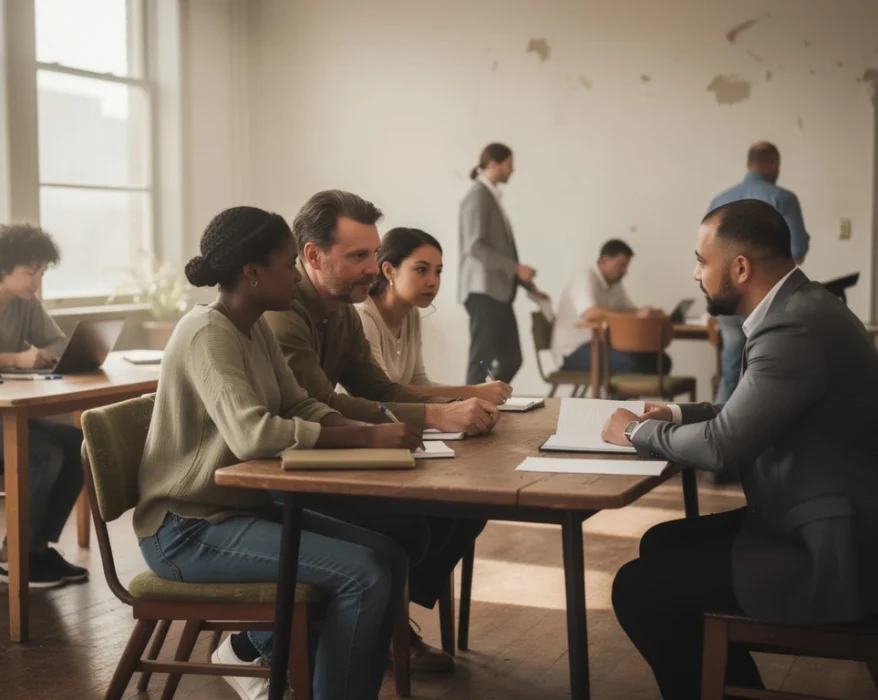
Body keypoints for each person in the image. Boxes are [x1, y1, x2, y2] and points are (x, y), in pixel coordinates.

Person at [135, 206, 422, 700]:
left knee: (390, 556)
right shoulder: (206, 332)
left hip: (238, 511)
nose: (296, 275)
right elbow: (251, 435)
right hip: (186, 529)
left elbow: (299, 404)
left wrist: (368, 428)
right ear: (252, 273)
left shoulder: (255, 327)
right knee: (364, 576)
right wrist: (364, 439)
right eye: (289, 264)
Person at [601, 199, 878, 700]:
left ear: (741, 268)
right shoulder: (805, 307)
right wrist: (673, 414)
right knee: (662, 543)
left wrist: (635, 433)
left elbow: (723, 446)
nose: (695, 274)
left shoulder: (792, 327)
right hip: (825, 516)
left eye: (701, 261)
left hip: (832, 551)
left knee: (637, 588)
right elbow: (747, 411)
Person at [264, 190, 496, 672]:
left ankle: (383, 623)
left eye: (373, 254)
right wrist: (437, 417)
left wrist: (453, 408)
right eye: (359, 256)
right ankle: (268, 641)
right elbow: (320, 405)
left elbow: (379, 388)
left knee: (463, 508)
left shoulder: (343, 310)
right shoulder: (284, 313)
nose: (374, 268)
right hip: (274, 472)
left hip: (316, 454)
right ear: (313, 256)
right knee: (409, 526)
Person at [0, 223, 88, 589]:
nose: (37, 281)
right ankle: (12, 557)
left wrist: (43, 355)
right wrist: (16, 359)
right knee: (42, 454)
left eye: (42, 272)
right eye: (30, 272)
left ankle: (36, 548)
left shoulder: (26, 303)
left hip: (7, 413)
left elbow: (58, 343)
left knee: (78, 443)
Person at [358, 226, 513, 403]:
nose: (433, 282)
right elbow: (384, 393)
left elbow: (419, 382)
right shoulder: (364, 316)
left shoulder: (411, 314)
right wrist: (473, 392)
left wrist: (471, 398)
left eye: (438, 272)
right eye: (421, 270)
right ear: (389, 271)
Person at [709, 142, 810, 405]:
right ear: (774, 164)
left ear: (749, 163)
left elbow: (708, 253)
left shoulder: (720, 200)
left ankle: (720, 421)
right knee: (768, 367)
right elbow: (797, 250)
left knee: (732, 367)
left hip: (726, 293)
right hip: (765, 296)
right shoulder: (783, 199)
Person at [459, 142, 546, 385]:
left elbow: (496, 250)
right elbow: (474, 247)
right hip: (483, 291)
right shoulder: (478, 196)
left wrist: (529, 286)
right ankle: (471, 405)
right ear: (493, 164)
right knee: (481, 362)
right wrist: (516, 268)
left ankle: (485, 399)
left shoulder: (490, 196)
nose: (512, 170)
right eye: (509, 164)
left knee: (511, 359)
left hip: (497, 292)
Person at [551, 239, 666, 374]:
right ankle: (618, 389)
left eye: (626, 266)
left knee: (661, 361)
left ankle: (624, 389)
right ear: (604, 260)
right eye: (620, 266)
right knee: (631, 364)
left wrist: (644, 311)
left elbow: (626, 310)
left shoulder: (614, 283)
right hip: (573, 350)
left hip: (601, 344)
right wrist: (634, 314)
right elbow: (590, 314)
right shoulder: (585, 277)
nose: (625, 271)